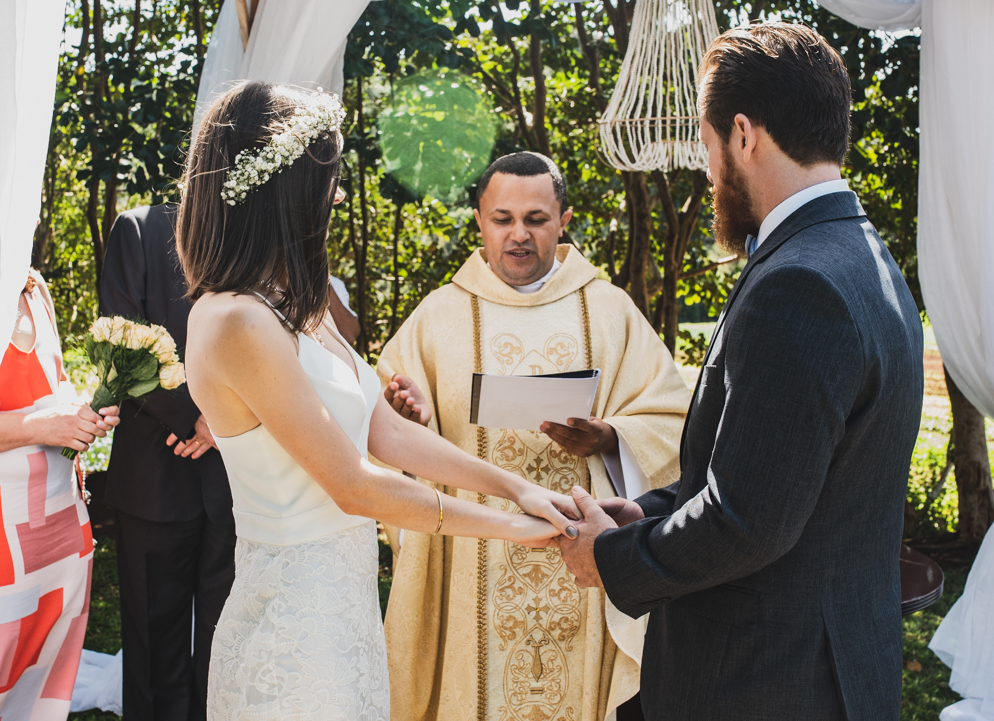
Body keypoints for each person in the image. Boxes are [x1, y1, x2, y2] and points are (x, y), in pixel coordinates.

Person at [176, 81, 579, 719]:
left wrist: (518, 488)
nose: (337, 194)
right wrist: (515, 530)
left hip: (346, 609)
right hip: (294, 624)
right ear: (284, 191)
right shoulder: (235, 320)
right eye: (326, 180)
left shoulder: (298, 305)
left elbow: (383, 431)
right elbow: (354, 487)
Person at [557, 22, 924, 720]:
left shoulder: (800, 284)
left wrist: (612, 556)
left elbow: (748, 522)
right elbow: (781, 475)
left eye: (706, 139)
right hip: (828, 669)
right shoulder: (863, 256)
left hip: (766, 683)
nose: (707, 164)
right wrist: (649, 510)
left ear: (745, 135)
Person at [378, 152, 691, 721]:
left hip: (580, 557)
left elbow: (672, 415)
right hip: (472, 555)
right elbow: (383, 422)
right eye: (503, 219)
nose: (518, 235)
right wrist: (411, 416)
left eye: (536, 219)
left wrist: (611, 437)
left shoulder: (609, 310)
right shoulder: (439, 317)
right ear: (479, 221)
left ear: (563, 220)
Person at [98, 203, 235, 721]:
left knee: (227, 643)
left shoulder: (257, 229)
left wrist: (226, 418)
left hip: (236, 479)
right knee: (155, 647)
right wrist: (196, 420)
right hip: (154, 478)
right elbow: (122, 343)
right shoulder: (138, 229)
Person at [0, 268, 120, 719]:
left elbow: (55, 384)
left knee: (47, 663)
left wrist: (82, 414)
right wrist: (46, 425)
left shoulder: (35, 286)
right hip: (4, 529)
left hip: (59, 521)